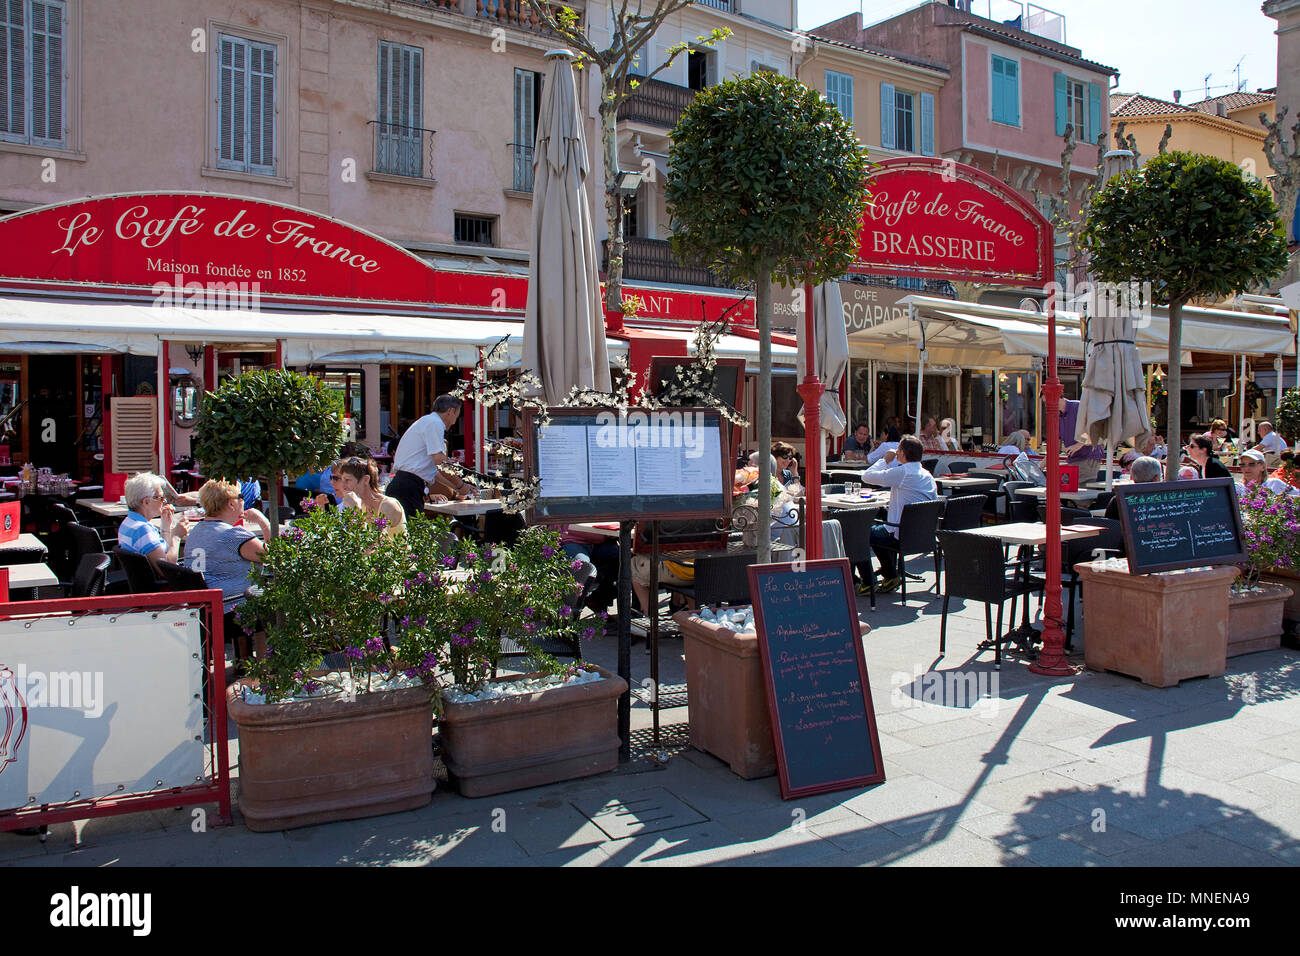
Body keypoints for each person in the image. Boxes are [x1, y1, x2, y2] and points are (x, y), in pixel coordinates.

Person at [858, 435, 937, 594]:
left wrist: (884, 460)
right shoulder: (927, 475)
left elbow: (866, 476)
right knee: (879, 530)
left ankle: (868, 582)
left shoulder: (903, 473)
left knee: (859, 535)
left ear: (901, 453)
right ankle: (890, 576)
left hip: (900, 534)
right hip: (923, 536)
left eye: (898, 449)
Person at [184, 479, 268, 613]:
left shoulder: (197, 530)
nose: (243, 501)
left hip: (204, 609)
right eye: (241, 497)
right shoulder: (233, 535)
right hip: (231, 607)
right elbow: (275, 556)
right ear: (231, 504)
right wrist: (263, 522)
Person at [386, 395, 472, 519]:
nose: (454, 422)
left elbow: (434, 471)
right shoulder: (435, 423)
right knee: (410, 533)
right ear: (451, 411)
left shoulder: (426, 421)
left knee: (407, 534)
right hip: (409, 487)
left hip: (405, 485)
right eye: (456, 417)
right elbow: (440, 461)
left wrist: (458, 487)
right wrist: (461, 485)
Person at [119, 472, 189, 573]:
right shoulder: (143, 529)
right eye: (160, 498)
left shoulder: (128, 522)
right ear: (146, 502)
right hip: (162, 586)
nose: (164, 501)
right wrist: (176, 537)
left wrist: (165, 526)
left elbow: (162, 551)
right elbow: (166, 569)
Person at [335, 456, 406, 535]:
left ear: (366, 480)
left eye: (347, 480)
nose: (343, 486)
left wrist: (356, 510)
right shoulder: (359, 504)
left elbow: (375, 544)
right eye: (342, 480)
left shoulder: (388, 505)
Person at [1058, 396, 1106, 483]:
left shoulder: (1078, 407)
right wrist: (1039, 468)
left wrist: (1078, 444)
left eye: (1047, 402)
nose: (1046, 405)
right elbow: (1055, 444)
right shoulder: (1058, 415)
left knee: (1081, 492)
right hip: (1073, 460)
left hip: (1088, 458)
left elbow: (1095, 428)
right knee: (1068, 492)